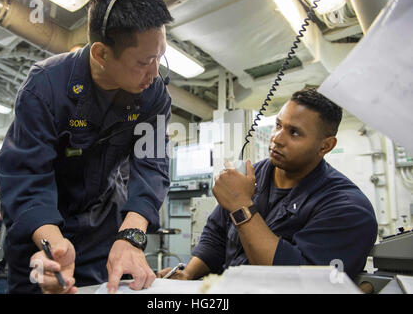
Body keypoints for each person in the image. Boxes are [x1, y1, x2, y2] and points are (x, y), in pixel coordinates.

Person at [0, 0, 173, 294]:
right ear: (102, 54)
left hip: (102, 230)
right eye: (145, 62)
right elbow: (26, 177)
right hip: (42, 236)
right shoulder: (44, 88)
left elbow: (151, 166)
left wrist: (130, 236)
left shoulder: (153, 96)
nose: (155, 73)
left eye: (160, 56)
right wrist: (54, 246)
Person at [158, 88, 378, 282]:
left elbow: (295, 279)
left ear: (325, 146)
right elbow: (217, 232)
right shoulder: (256, 174)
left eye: (294, 132)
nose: (277, 138)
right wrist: (189, 272)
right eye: (278, 125)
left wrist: (241, 207)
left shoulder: (348, 209)